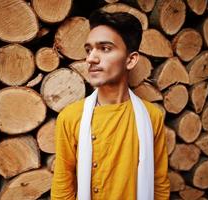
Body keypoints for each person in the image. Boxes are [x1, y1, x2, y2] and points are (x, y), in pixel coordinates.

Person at [51, 9, 170, 200]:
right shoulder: (71, 117)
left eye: (105, 48)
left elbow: (159, 183)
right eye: (89, 50)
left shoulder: (151, 117)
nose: (91, 59)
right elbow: (62, 187)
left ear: (130, 60)